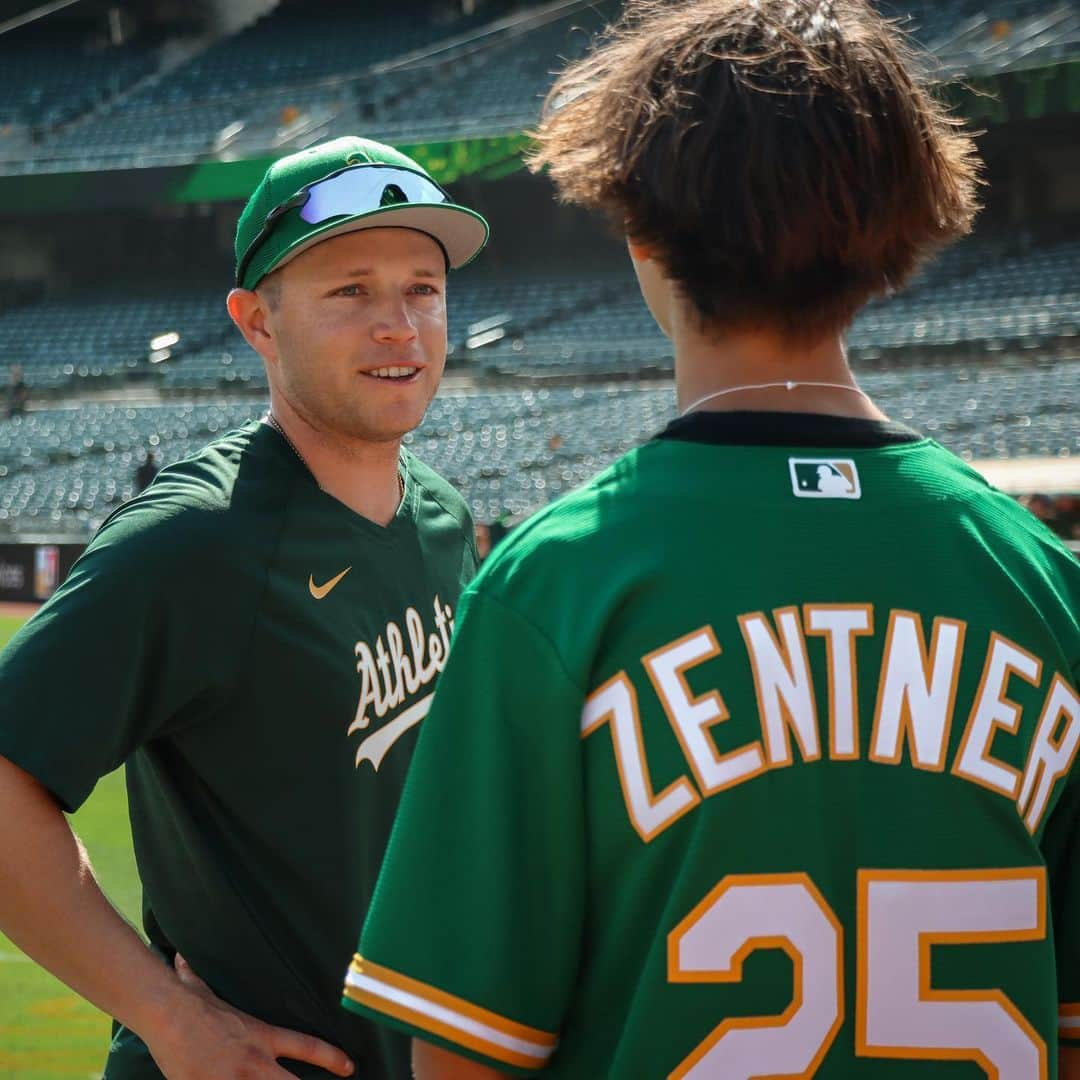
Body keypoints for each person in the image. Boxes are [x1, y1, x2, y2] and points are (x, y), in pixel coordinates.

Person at [340, 3, 1080, 1078]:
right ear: (904, 229)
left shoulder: (555, 583)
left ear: (639, 225)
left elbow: (463, 1053)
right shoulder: (1045, 585)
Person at [0, 135, 488, 1079]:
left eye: (422, 288)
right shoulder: (192, 539)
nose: (399, 324)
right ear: (257, 322)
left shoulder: (440, 515)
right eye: (350, 290)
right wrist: (166, 1016)